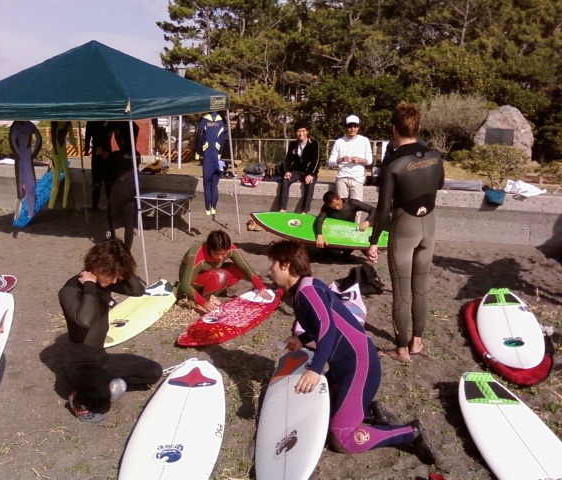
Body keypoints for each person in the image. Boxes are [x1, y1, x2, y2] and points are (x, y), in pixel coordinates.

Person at [267, 240, 436, 464]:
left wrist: (315, 369)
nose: (270, 269)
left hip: (359, 366)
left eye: (273, 263)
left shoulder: (308, 292)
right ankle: (370, 413)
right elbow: (327, 324)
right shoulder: (305, 289)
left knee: (341, 438)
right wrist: (301, 338)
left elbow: (327, 328)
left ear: (286, 265)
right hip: (343, 367)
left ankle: (411, 432)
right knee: (318, 411)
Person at [366, 102, 444, 363]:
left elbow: (383, 207)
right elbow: (439, 184)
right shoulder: (435, 155)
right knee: (420, 286)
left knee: (401, 291)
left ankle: (401, 350)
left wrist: (374, 240)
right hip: (429, 223)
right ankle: (417, 341)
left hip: (404, 225)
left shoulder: (393, 162)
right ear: (418, 127)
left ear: (394, 129)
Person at [58, 239, 162, 423]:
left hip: (101, 358)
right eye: (111, 275)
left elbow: (138, 290)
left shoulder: (104, 282)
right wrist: (89, 285)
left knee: (154, 372)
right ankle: (79, 399)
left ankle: (106, 383)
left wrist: (125, 266)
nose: (114, 281)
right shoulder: (70, 290)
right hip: (80, 365)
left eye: (117, 276)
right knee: (102, 402)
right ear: (97, 266)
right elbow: (84, 321)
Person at [179, 230, 272, 313]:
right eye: (216, 254)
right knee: (219, 276)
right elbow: (185, 285)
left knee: (239, 270)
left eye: (223, 254)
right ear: (209, 249)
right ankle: (200, 301)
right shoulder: (196, 257)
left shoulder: (229, 248)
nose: (220, 257)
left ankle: (211, 294)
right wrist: (204, 303)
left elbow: (245, 267)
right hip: (192, 284)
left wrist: (261, 288)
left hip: (211, 272)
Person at [327, 115, 373, 222]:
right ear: (346, 127)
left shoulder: (364, 141)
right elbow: (330, 162)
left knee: (357, 208)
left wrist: (359, 160)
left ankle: (355, 227)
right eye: (350, 126)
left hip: (357, 178)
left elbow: (370, 160)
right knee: (341, 206)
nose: (352, 129)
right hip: (342, 177)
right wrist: (341, 159)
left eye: (355, 126)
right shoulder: (339, 142)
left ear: (359, 127)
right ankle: (342, 226)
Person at [279, 119, 320, 215]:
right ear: (295, 133)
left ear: (307, 131)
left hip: (309, 171)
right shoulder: (293, 144)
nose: (301, 134)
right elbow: (288, 159)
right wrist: (287, 171)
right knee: (285, 180)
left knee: (310, 183)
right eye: (298, 131)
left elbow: (316, 160)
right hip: (297, 171)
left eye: (303, 131)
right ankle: (282, 209)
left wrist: (311, 174)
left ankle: (304, 211)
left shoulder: (314, 143)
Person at [195, 111, 228, 216]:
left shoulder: (204, 120)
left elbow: (200, 137)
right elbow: (223, 139)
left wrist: (197, 152)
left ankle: (207, 208)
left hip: (207, 155)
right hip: (216, 155)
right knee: (214, 186)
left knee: (207, 184)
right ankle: (213, 208)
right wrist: (219, 153)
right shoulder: (222, 121)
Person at [9, 121, 42, 218]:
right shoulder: (16, 126)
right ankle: (22, 213)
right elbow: (12, 142)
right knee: (21, 188)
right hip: (22, 157)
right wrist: (18, 155)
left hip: (25, 157)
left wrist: (34, 154)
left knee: (31, 186)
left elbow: (39, 138)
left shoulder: (28, 125)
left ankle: (30, 213)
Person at [84, 121, 112, 211]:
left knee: (104, 183)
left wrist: (87, 149)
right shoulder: (106, 121)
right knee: (101, 183)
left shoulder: (107, 121)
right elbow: (88, 136)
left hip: (102, 152)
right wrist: (87, 149)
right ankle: (96, 206)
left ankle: (99, 207)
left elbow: (88, 136)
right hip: (102, 152)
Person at [49, 121, 76, 209]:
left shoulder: (56, 122)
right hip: (60, 153)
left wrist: (56, 150)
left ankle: (53, 205)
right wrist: (75, 147)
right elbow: (71, 138)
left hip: (58, 153)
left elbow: (54, 137)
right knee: (64, 178)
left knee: (58, 179)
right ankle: (57, 205)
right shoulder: (66, 123)